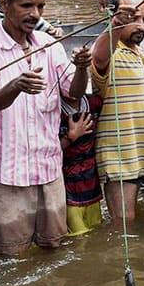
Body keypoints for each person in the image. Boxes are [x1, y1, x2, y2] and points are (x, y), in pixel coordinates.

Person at [0, 0, 91, 254]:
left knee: (54, 250)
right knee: (9, 258)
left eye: (41, 6)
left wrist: (83, 66)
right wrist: (16, 85)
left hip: (47, 169)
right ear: (3, 4)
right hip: (4, 174)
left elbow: (74, 93)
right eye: (26, 6)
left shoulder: (49, 46)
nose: (35, 14)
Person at [89, 0, 144, 222]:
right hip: (118, 152)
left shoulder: (140, 53)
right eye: (133, 18)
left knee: (130, 217)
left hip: (139, 150)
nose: (141, 26)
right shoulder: (111, 51)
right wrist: (117, 23)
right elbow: (98, 57)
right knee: (123, 222)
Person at [59, 93, 103, 236]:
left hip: (92, 187)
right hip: (69, 191)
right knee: (79, 237)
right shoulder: (53, 111)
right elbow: (47, 152)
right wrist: (71, 137)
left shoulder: (95, 103)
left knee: (97, 233)